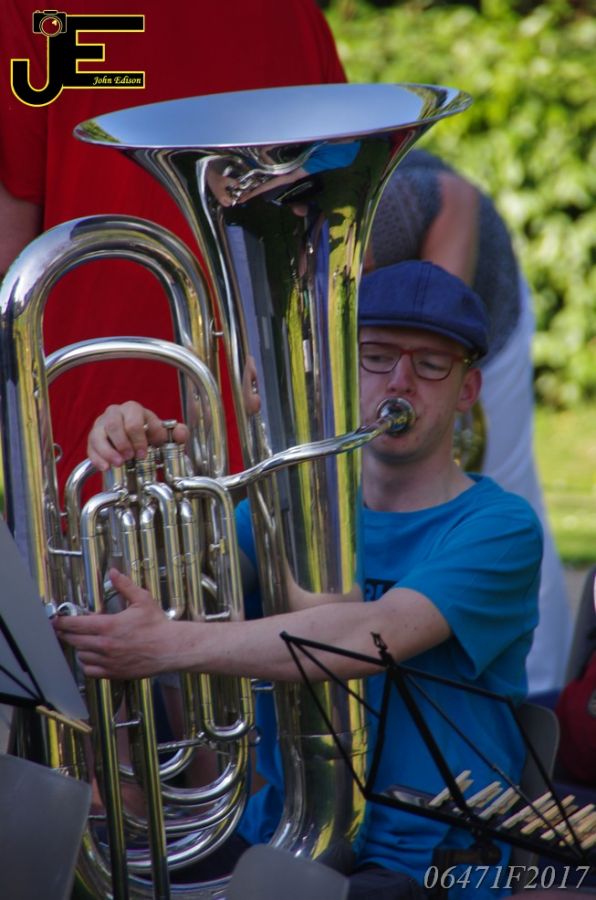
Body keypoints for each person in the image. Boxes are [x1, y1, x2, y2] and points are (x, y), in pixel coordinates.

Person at [55, 260, 544, 899]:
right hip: (280, 835)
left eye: (430, 365)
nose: (399, 381)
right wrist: (139, 470)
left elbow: (374, 635)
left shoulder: (500, 527)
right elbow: (161, 591)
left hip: (433, 861)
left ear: (468, 388)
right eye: (375, 357)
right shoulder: (284, 510)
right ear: (342, 370)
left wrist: (167, 647)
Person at [0, 0, 347, 488]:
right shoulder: (295, 14)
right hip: (272, 432)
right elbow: (342, 243)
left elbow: (9, 258)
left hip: (100, 434)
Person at [366, 149, 572, 695]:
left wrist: (434, 363)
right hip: (380, 338)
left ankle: (543, 692)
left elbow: (451, 199)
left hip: (474, 306)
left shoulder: (388, 208)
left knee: (503, 488)